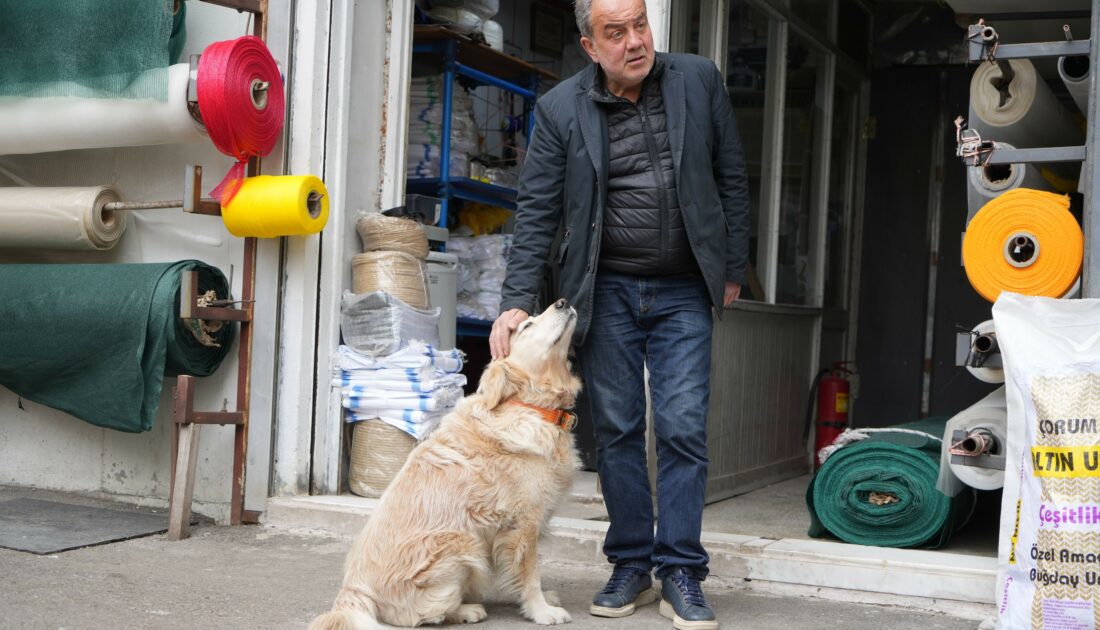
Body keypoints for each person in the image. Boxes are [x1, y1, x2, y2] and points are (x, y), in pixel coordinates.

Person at [489, 0, 748, 627]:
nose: (635, 42)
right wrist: (516, 301)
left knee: (683, 427)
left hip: (685, 287)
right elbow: (538, 214)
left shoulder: (698, 79)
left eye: (640, 25)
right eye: (617, 32)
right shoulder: (559, 111)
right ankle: (632, 563)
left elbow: (731, 175)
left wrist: (733, 266)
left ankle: (682, 569)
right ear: (589, 46)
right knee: (619, 431)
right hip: (603, 293)